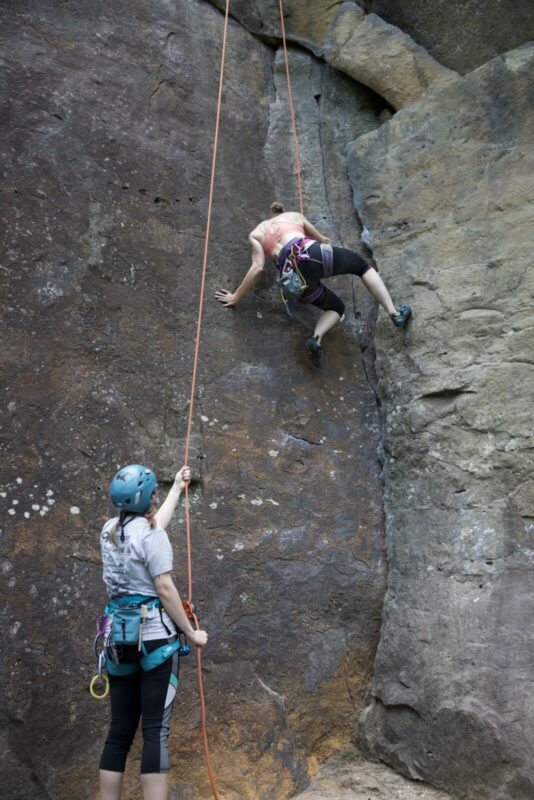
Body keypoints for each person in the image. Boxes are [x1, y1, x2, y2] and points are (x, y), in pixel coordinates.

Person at [98, 463, 207, 800]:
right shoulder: (152, 535)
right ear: (146, 497)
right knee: (155, 731)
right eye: (155, 492)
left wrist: (177, 487)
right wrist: (191, 633)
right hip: (156, 640)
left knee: (119, 732)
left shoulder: (110, 530)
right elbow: (164, 588)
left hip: (119, 638)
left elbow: (152, 524)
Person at [215, 202, 411, 366]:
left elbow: (257, 267)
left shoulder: (256, 234)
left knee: (335, 308)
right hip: (311, 255)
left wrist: (236, 296)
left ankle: (316, 339)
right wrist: (323, 240)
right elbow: (323, 240)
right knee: (361, 267)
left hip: (293, 279)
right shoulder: (294, 216)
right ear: (281, 211)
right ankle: (394, 313)